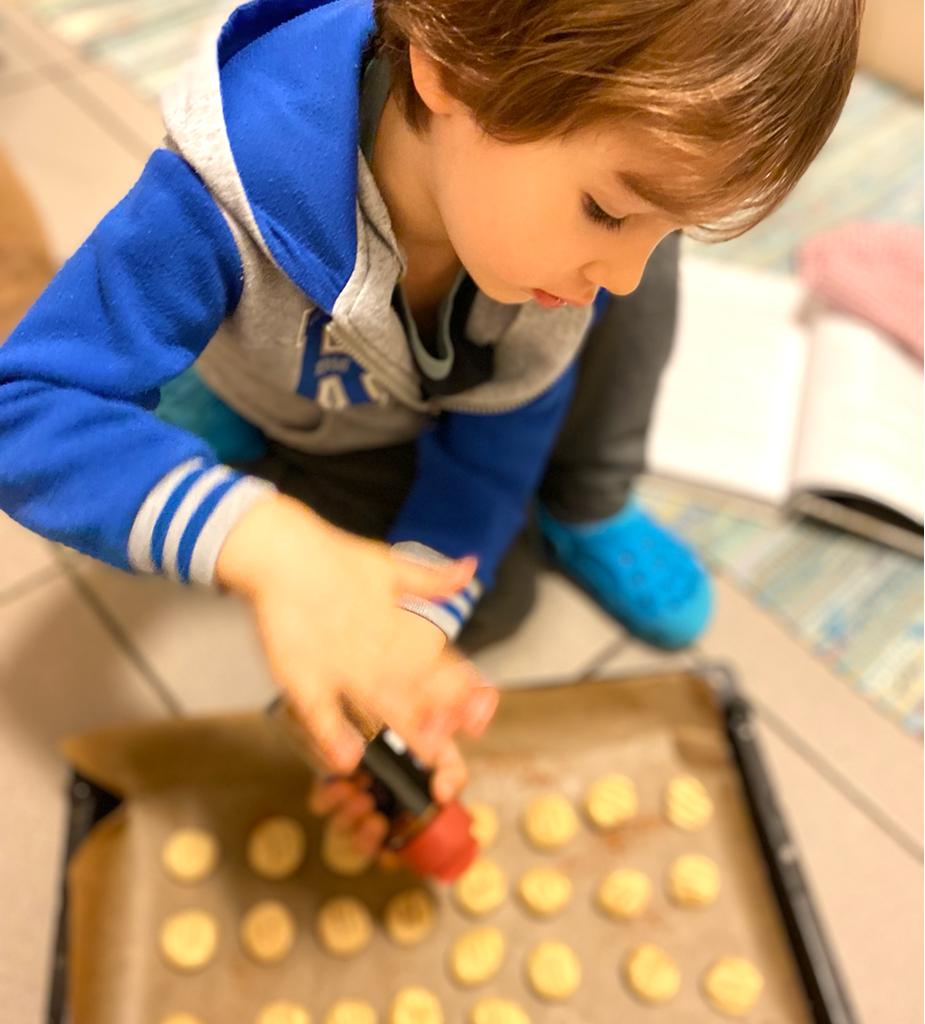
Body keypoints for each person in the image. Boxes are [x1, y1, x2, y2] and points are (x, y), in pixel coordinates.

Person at [0, 0, 859, 847]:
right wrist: (265, 542)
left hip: (391, 392)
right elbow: (25, 404)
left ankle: (581, 501)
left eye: (672, 230)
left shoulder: (555, 244)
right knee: (181, 465)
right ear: (449, 69)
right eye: (607, 210)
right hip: (303, 382)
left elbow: (492, 453)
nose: (623, 275)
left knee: (482, 591)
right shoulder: (225, 191)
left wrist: (395, 656)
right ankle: (209, 409)